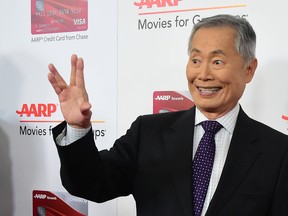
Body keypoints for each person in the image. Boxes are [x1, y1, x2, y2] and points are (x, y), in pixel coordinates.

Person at [48, 14, 288, 216]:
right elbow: (91, 184)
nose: (202, 74)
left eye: (217, 61)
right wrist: (77, 129)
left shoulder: (278, 152)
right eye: (195, 60)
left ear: (249, 69)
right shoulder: (148, 133)